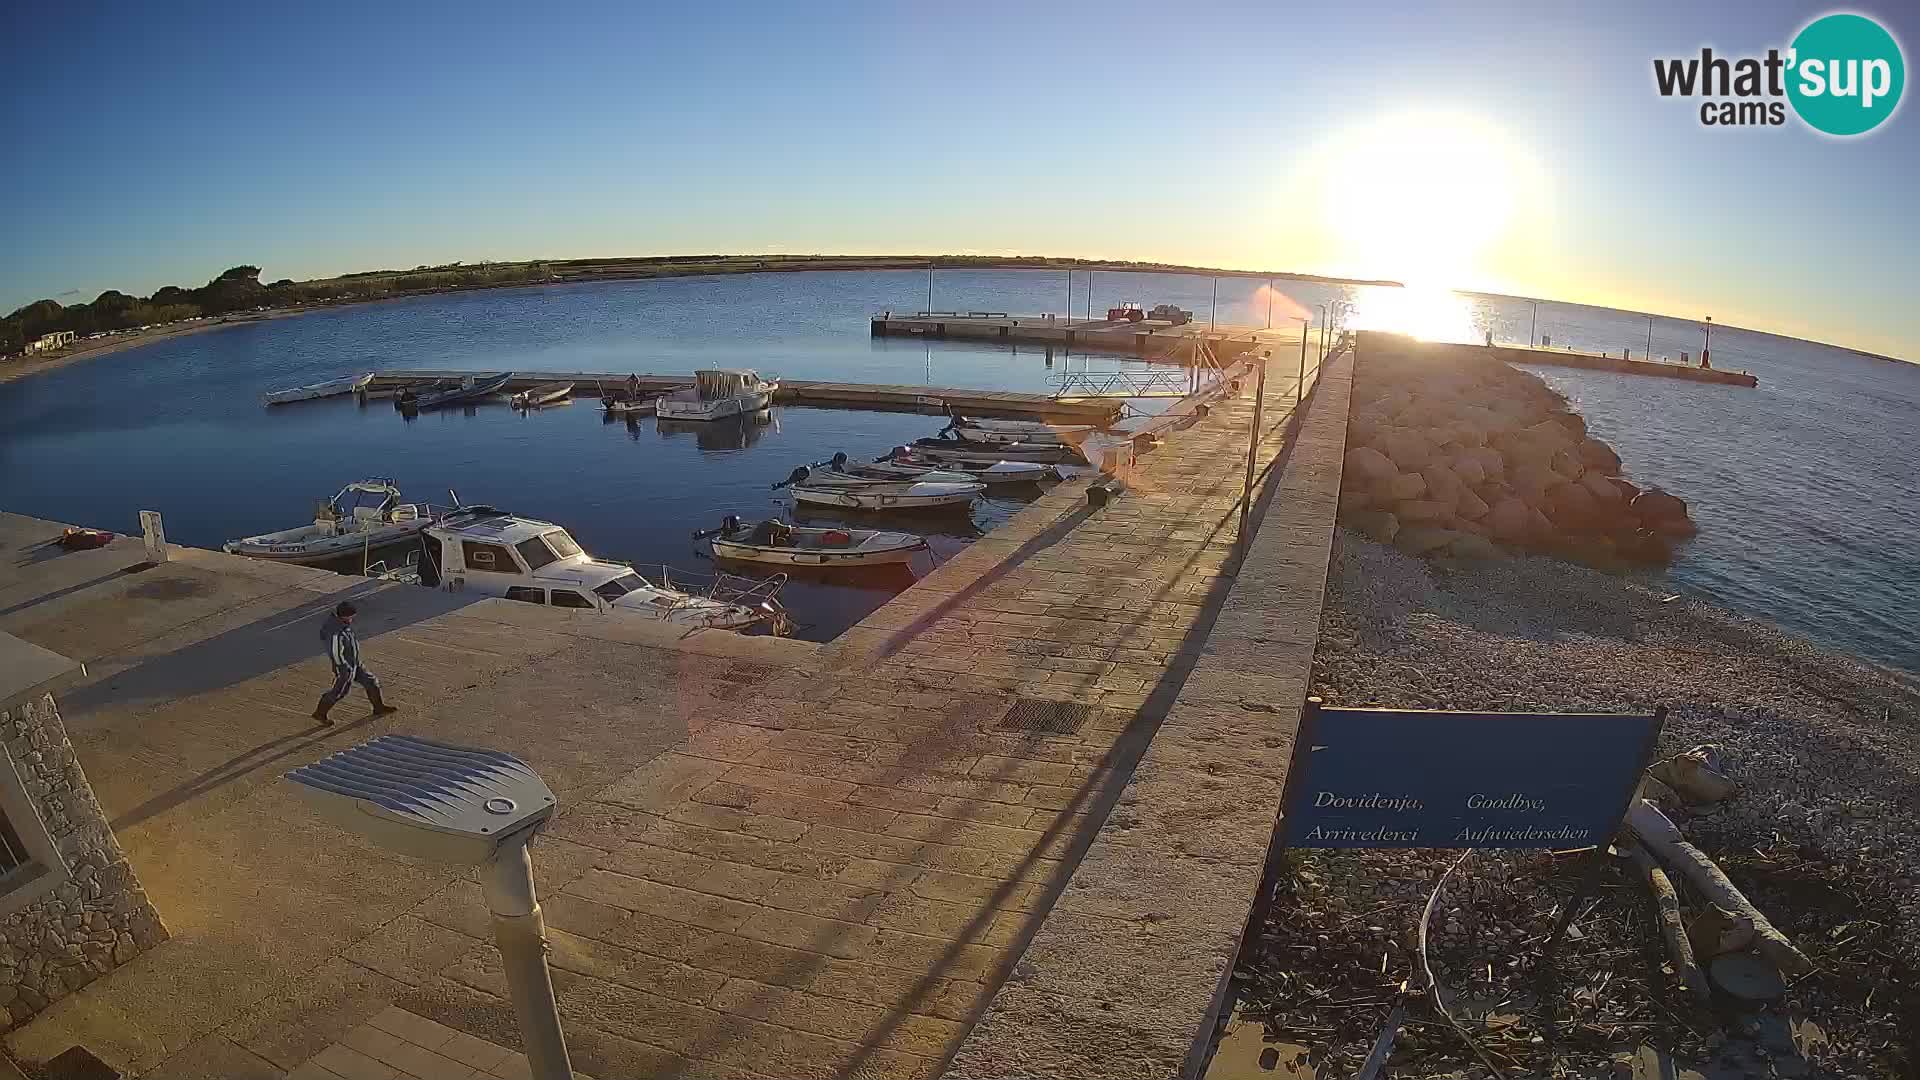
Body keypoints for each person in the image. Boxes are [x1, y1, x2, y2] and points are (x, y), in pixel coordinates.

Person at [313, 601, 395, 725]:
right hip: (345, 666)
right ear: (345, 616)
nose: (352, 619)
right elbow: (335, 651)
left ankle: (378, 708)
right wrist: (343, 667)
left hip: (354, 662)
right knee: (340, 691)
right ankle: (320, 713)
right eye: (351, 616)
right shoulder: (334, 630)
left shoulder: (342, 624)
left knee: (371, 682)